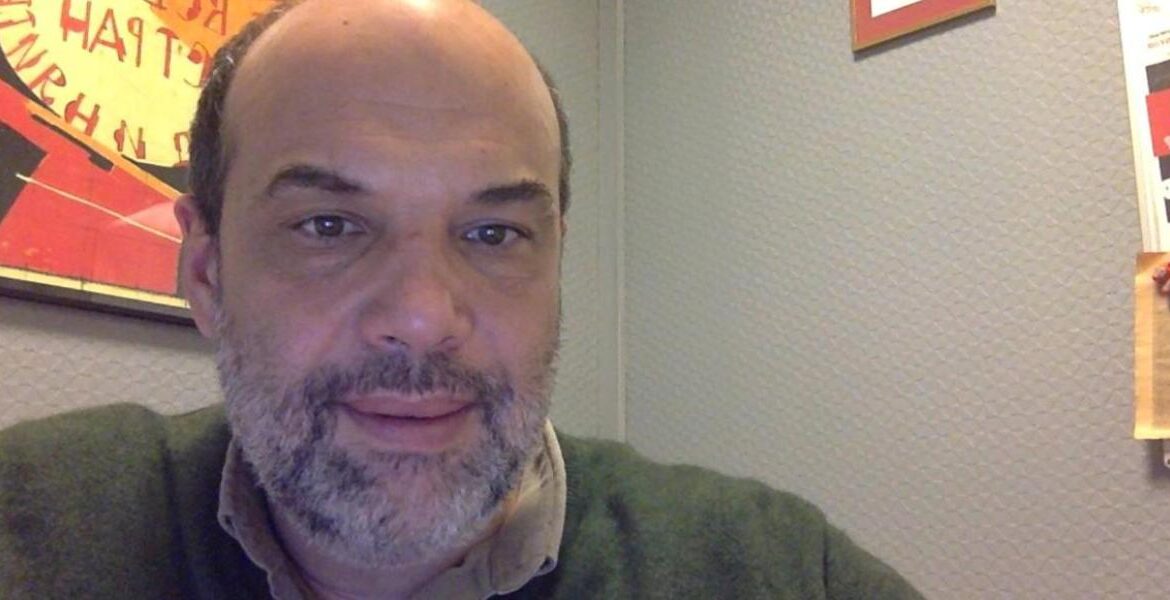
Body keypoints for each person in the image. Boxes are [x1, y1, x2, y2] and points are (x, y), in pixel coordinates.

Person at [0, 1, 924, 598]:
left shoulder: (775, 572)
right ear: (206, 274)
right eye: (329, 225)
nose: (423, 316)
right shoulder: (35, 530)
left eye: (492, 234)